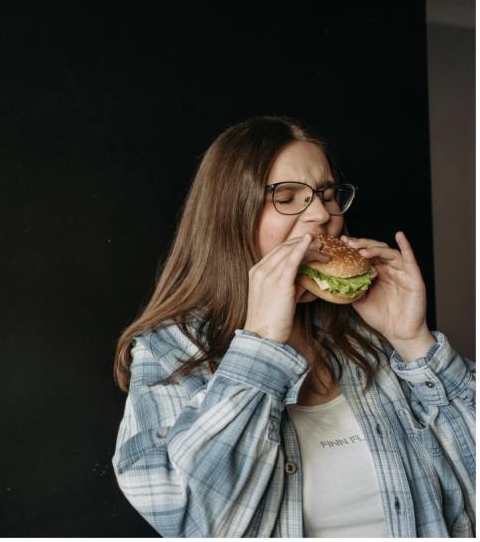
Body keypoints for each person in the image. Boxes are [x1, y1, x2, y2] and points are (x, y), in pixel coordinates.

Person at [110, 116, 476, 537]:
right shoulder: (170, 349)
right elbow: (194, 520)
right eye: (287, 196)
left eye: (327, 194)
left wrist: (414, 342)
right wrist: (262, 344)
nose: (321, 214)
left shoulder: (371, 333)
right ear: (230, 216)